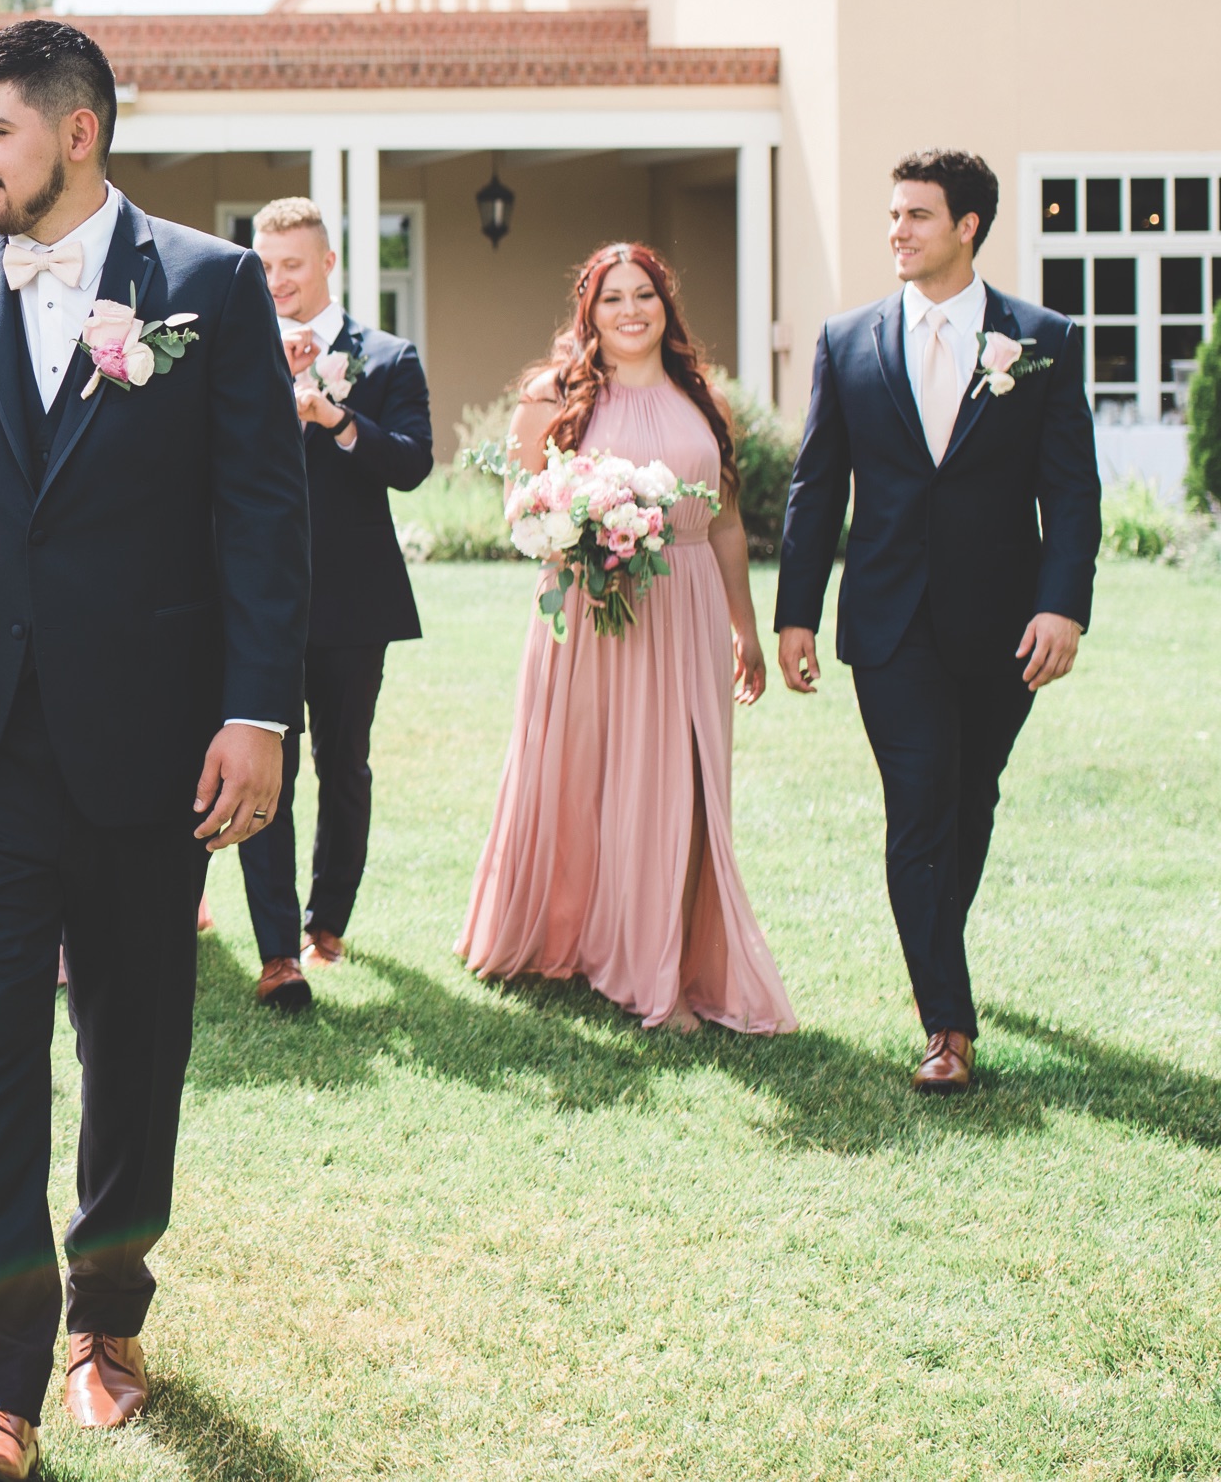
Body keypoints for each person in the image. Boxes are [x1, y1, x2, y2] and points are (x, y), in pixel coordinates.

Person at [0, 20, 311, 1475]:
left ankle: (109, 1306)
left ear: (77, 130)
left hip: (154, 747)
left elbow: (262, 519)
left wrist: (257, 711)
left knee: (136, 1038)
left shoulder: (206, 288)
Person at [775, 151, 1099, 1094]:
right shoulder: (847, 341)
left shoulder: (1039, 339)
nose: (898, 232)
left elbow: (1070, 491)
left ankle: (933, 949)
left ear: (968, 226)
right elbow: (814, 486)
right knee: (918, 805)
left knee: (971, 797)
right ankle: (947, 1027)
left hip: (1005, 626)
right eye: (892, 215)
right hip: (888, 622)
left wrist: (1062, 602)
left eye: (918, 215)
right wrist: (796, 614)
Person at [457, 243, 796, 1038]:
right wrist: (583, 517)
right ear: (589, 310)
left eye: (645, 294)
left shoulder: (700, 395)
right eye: (613, 298)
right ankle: (575, 939)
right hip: (593, 608)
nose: (631, 310)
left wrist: (745, 628)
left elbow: (724, 521)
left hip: (689, 610)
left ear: (665, 306)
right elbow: (520, 506)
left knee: (682, 785)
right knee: (582, 777)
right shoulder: (553, 394)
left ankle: (665, 962)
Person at [229, 196, 434, 1010]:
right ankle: (278, 951)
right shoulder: (238, 351)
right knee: (258, 766)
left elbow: (413, 462)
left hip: (353, 601)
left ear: (327, 266)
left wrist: (335, 414)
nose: (277, 279)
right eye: (267, 264)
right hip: (255, 602)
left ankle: (328, 923)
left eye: (292, 264)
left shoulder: (387, 355)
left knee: (343, 764)